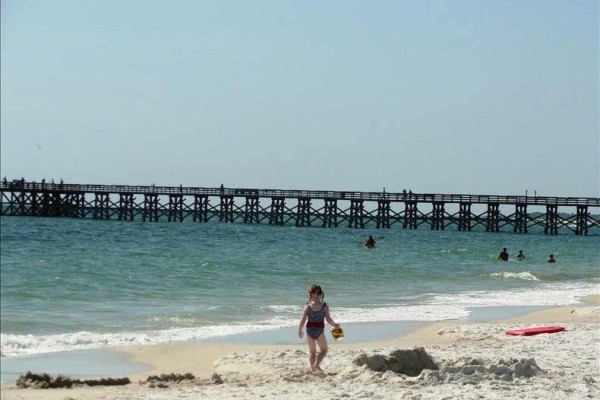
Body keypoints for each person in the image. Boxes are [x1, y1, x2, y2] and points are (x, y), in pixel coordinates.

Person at [298, 285, 340, 373]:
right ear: (320, 294)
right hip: (319, 330)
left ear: (310, 294)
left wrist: (300, 330)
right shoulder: (324, 306)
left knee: (312, 352)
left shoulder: (307, 306)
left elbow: (303, 320)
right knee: (324, 350)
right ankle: (316, 364)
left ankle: (313, 370)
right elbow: (328, 319)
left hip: (309, 330)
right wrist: (335, 325)